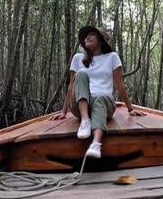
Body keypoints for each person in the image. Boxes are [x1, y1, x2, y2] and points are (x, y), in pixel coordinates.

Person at [50, 26, 146, 158]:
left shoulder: (112, 57)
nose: (87, 37)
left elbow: (119, 84)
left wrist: (130, 109)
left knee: (100, 97)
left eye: (92, 35)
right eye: (86, 36)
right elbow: (72, 86)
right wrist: (64, 111)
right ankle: (85, 120)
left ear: (101, 40)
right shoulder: (78, 58)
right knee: (82, 74)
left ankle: (96, 144)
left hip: (104, 104)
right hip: (80, 106)